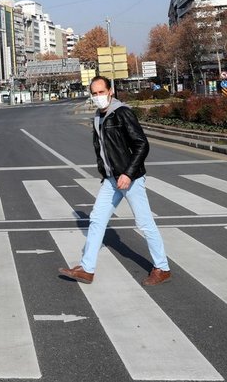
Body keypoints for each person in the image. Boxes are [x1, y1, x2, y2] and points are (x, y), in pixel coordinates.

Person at [59, 76, 171, 287]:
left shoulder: (122, 113)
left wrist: (128, 174)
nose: (98, 97)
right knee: (96, 220)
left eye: (101, 92)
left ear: (110, 91)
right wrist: (107, 174)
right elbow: (104, 150)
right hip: (112, 179)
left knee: (145, 223)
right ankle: (87, 269)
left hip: (131, 178)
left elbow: (141, 144)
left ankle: (162, 268)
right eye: (94, 93)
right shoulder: (99, 117)